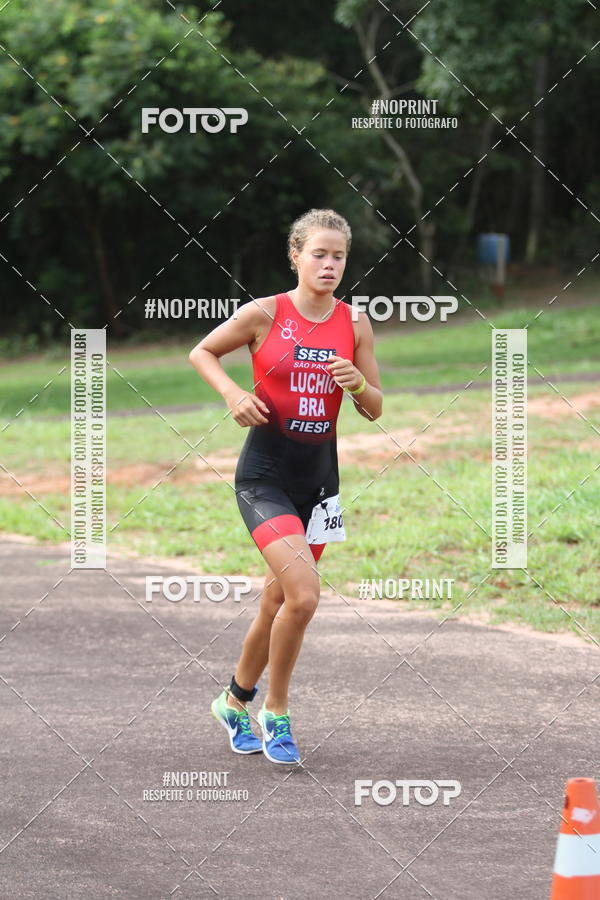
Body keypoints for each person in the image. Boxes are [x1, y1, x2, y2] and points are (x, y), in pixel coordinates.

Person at [188, 208, 382, 764]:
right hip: (264, 476)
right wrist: (231, 394)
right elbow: (202, 351)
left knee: (278, 599)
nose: (329, 264)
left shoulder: (356, 324)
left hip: (320, 482)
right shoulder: (263, 314)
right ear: (295, 255)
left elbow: (374, 408)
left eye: (339, 256)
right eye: (318, 253)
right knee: (303, 595)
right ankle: (276, 713)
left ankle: (233, 701)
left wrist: (358, 383)